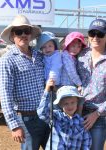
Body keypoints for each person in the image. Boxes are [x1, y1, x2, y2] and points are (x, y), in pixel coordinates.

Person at [0, 15, 50, 150]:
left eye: (26, 31)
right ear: (13, 35)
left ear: (30, 34)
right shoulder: (6, 61)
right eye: (19, 32)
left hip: (47, 116)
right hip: (27, 119)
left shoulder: (39, 56)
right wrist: (14, 125)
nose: (23, 35)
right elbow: (5, 95)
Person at [77, 18, 106, 150]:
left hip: (99, 117)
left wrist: (97, 114)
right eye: (92, 33)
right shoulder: (81, 55)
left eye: (100, 34)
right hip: (77, 112)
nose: (95, 37)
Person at [37, 82, 92, 150]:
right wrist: (47, 91)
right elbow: (42, 113)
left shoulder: (81, 122)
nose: (70, 106)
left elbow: (86, 141)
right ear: (60, 104)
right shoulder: (56, 117)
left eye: (72, 102)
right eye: (66, 103)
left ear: (77, 102)